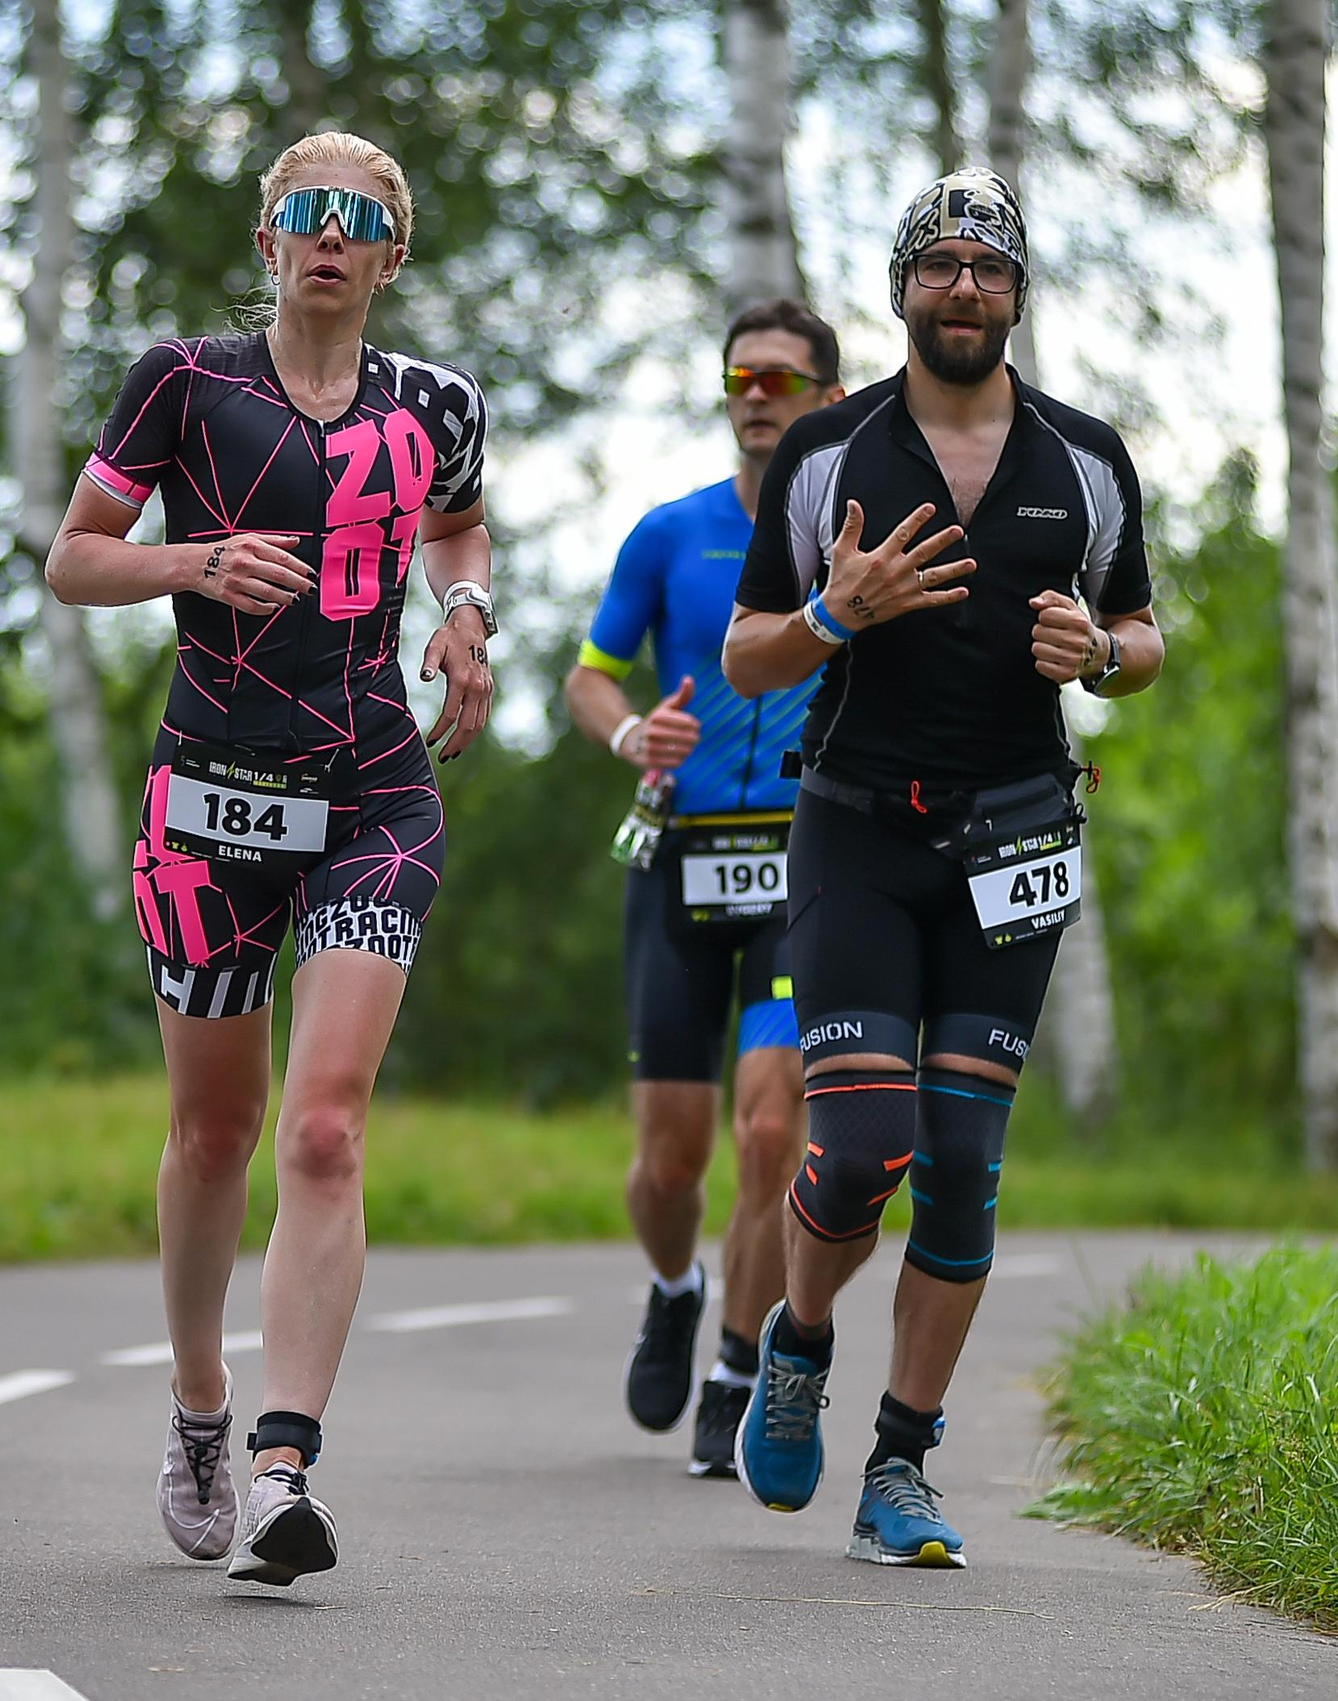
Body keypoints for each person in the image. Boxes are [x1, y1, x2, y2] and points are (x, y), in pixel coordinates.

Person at [46, 131, 493, 1587]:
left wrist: (466, 616)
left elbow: (460, 521)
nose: (328, 235)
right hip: (210, 799)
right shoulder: (186, 382)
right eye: (305, 212)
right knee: (216, 1134)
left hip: (374, 792)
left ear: (390, 256)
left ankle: (286, 1462)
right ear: (268, 242)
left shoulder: (435, 403)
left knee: (323, 1129)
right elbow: (73, 557)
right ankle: (196, 1400)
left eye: (358, 218)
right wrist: (191, 563)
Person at [720, 169, 1163, 1567]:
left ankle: (900, 1465)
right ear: (902, 289)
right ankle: (796, 1347)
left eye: (988, 265)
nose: (962, 285)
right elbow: (745, 659)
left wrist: (1098, 654)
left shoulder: (1086, 460)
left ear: (1019, 294)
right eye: (938, 265)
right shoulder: (828, 452)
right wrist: (830, 616)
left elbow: (1144, 636)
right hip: (855, 828)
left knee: (962, 1167)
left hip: (1016, 833)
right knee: (861, 1148)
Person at [563, 300, 844, 1478]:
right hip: (680, 859)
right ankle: (675, 1288)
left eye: (782, 379)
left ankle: (737, 1364)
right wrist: (631, 737)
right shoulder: (669, 533)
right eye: (741, 376)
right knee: (672, 1158)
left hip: (806, 862)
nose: (756, 394)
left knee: (772, 1129)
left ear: (829, 397)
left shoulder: (856, 544)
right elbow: (589, 675)